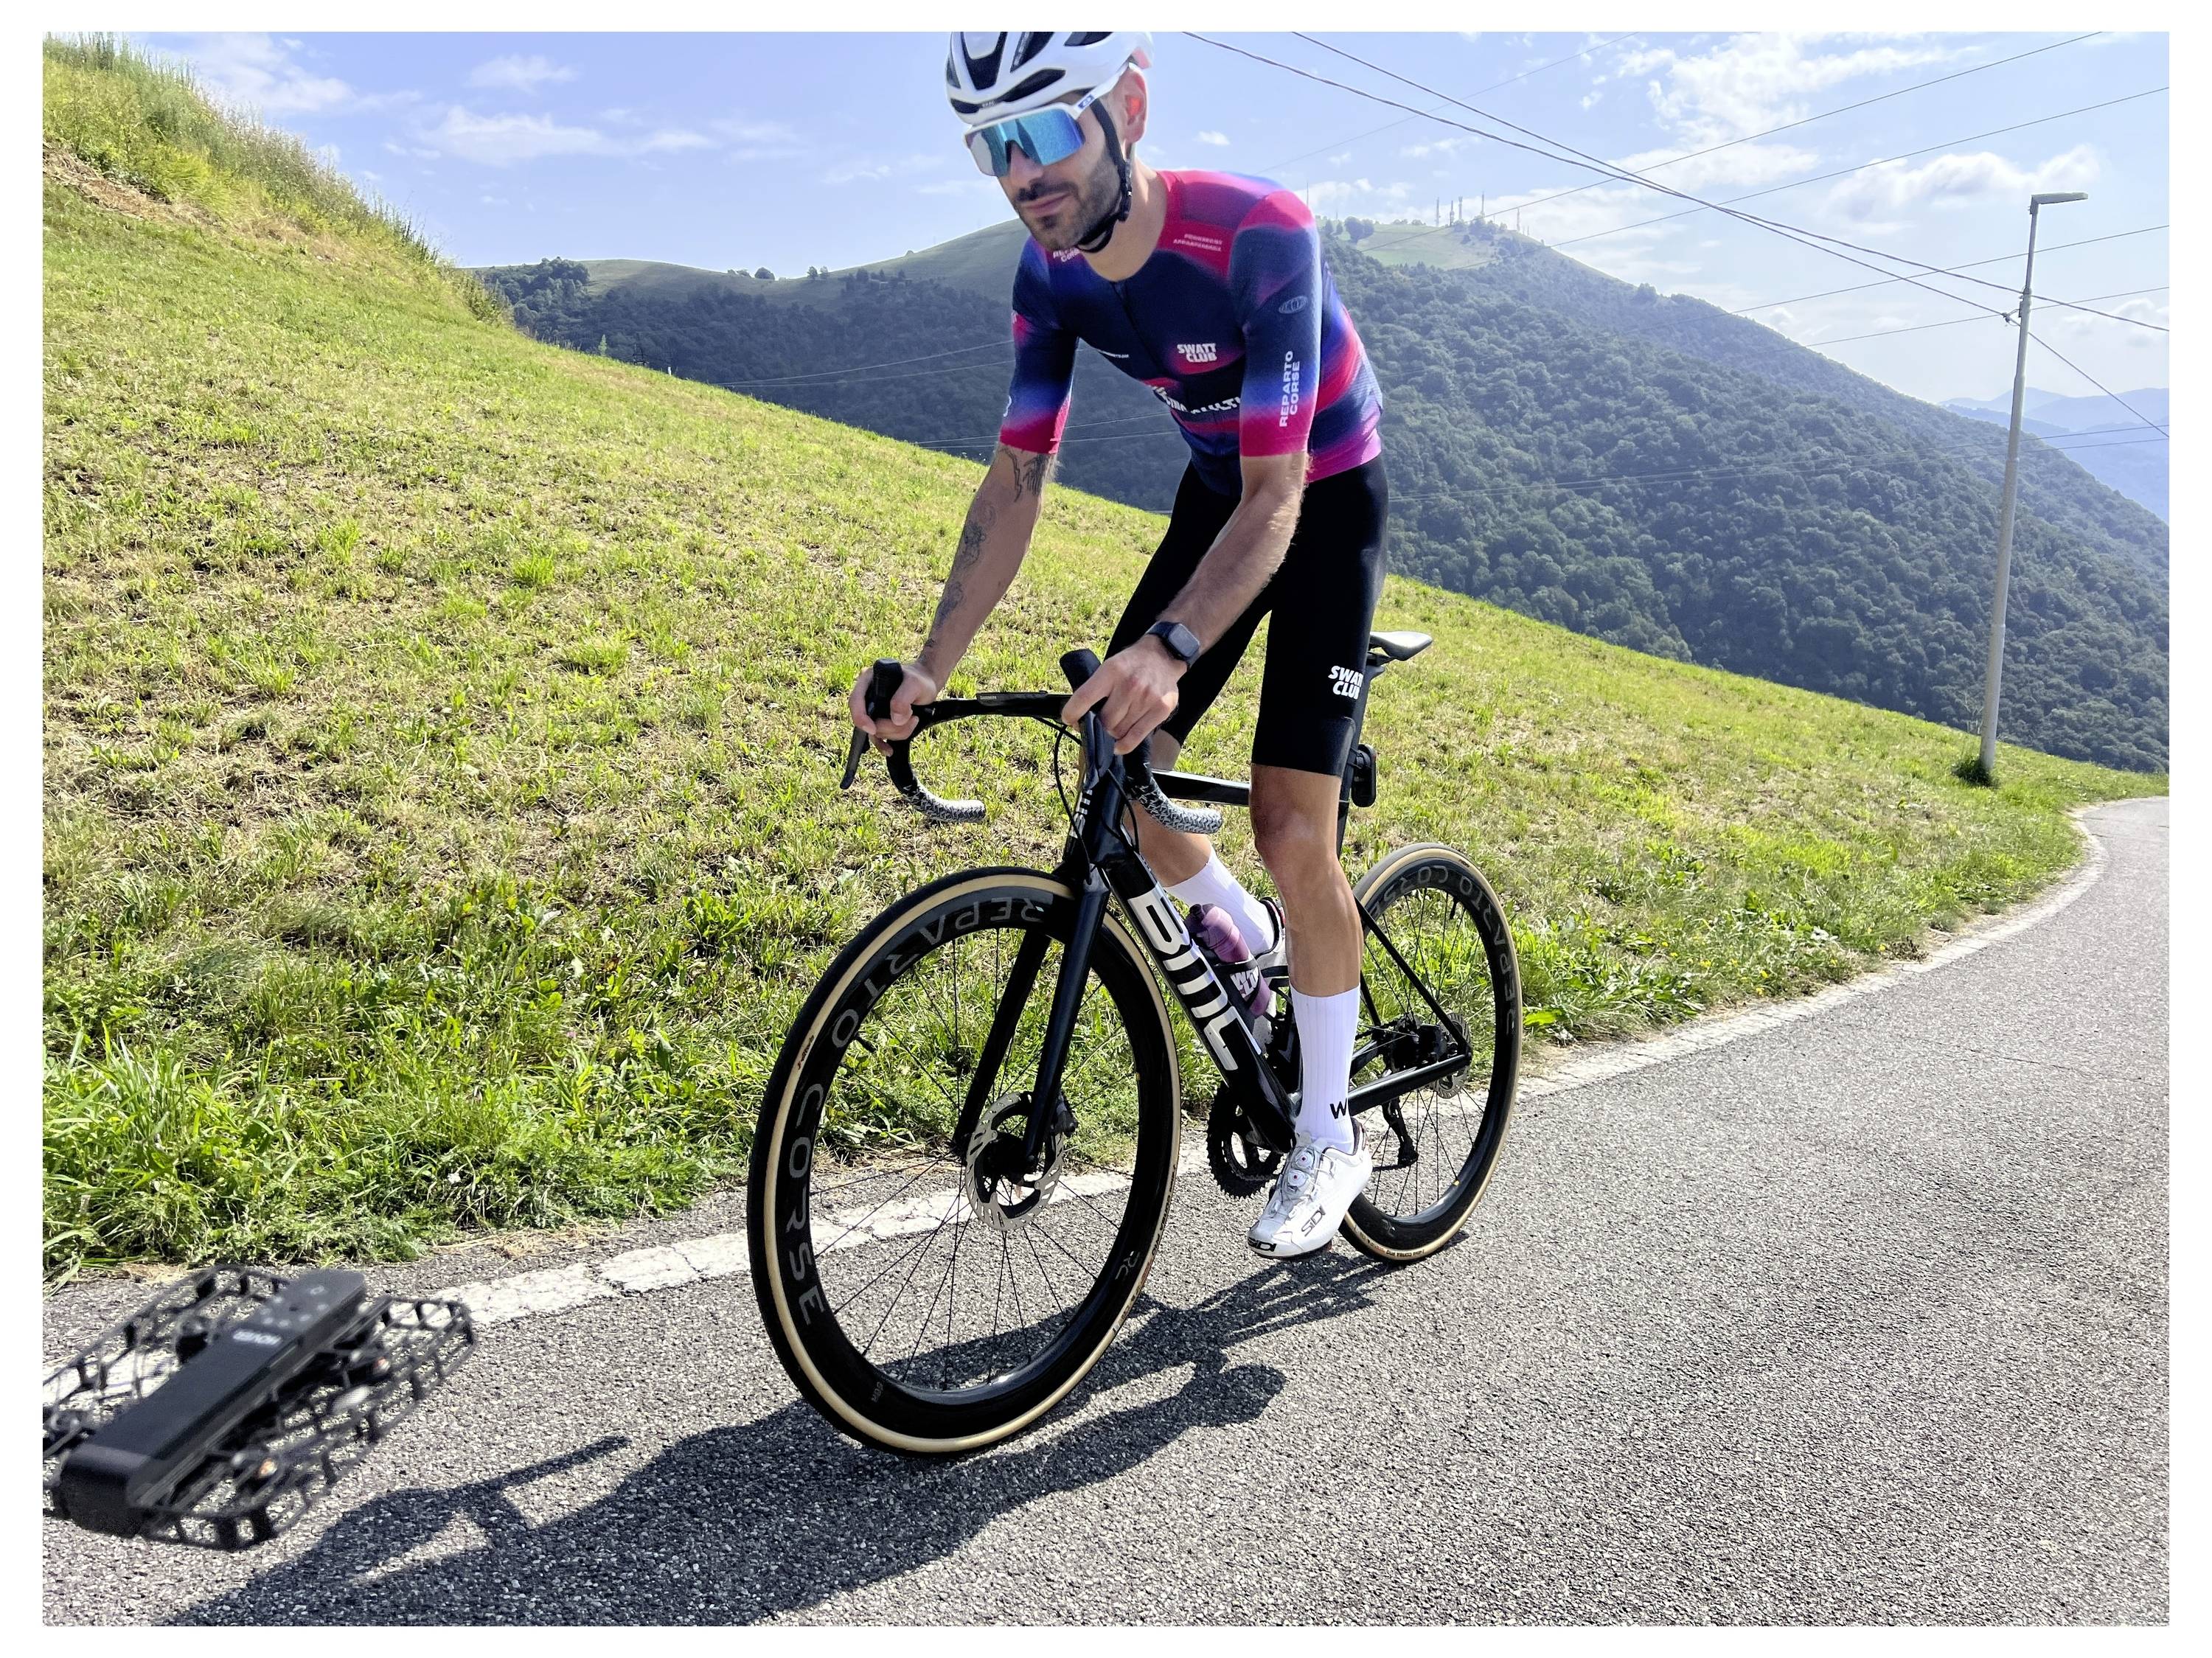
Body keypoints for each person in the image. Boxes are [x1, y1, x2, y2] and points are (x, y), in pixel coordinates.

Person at [849, 31, 1388, 1258]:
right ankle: (1251, 942)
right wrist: (928, 669)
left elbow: (1279, 497)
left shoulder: (1260, 232)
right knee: (1115, 751)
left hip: (1318, 493)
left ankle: (1329, 1130)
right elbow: (1018, 479)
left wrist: (1173, 644)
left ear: (1127, 107)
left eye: (1041, 132)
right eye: (991, 147)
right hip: (1222, 491)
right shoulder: (1052, 277)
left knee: (1291, 827)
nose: (1018, 172)